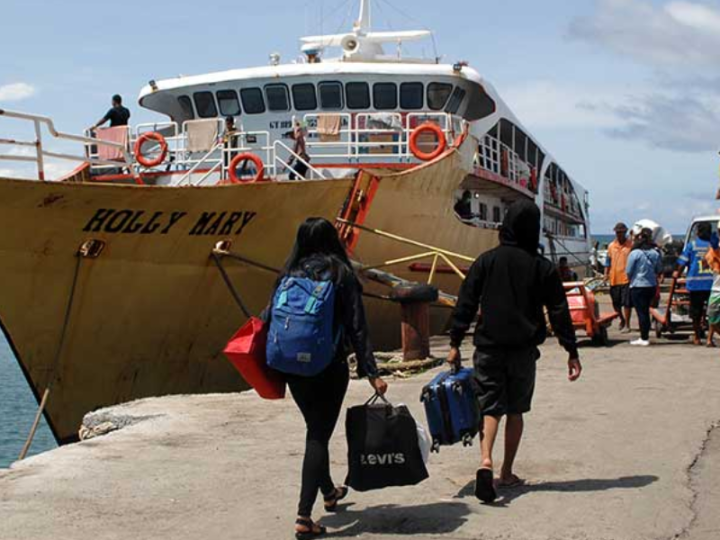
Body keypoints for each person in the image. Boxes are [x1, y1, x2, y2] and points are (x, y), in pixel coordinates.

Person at [446, 200, 582, 504]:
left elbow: (465, 303)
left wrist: (455, 343)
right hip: (522, 351)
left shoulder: (486, 261)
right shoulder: (542, 267)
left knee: (491, 407)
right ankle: (506, 472)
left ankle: (485, 461)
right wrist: (571, 350)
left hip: (488, 347)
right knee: (516, 410)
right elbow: (559, 310)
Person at [270, 218, 388, 539]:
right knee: (318, 436)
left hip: (292, 368)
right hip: (328, 367)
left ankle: (329, 492)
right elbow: (357, 327)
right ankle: (304, 517)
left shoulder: (288, 273)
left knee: (314, 429)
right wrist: (372, 373)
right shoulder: (340, 274)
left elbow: (270, 320)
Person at [675, 222, 714, 346]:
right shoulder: (714, 246)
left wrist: (677, 273)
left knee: (695, 313)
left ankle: (697, 337)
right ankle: (710, 337)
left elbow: (683, 262)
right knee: (713, 312)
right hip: (712, 284)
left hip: (695, 285)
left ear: (698, 232)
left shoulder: (692, 245)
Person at [625, 228, 663, 347]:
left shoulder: (635, 253)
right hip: (651, 285)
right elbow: (659, 269)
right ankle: (645, 335)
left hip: (638, 285)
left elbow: (628, 271)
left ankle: (644, 337)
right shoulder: (655, 253)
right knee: (646, 311)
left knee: (641, 312)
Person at [605, 223, 634, 333]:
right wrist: (605, 274)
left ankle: (627, 323)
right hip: (614, 278)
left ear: (625, 232)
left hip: (626, 278)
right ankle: (621, 319)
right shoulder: (611, 246)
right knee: (615, 303)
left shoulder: (630, 245)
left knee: (627, 303)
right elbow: (608, 262)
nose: (619, 234)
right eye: (617, 232)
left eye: (621, 232)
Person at [704, 223, 720, 348]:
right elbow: (706, 261)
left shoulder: (714, 247)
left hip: (716, 289)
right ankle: (709, 338)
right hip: (716, 289)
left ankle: (709, 339)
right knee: (712, 317)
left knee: (712, 316)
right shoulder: (714, 247)